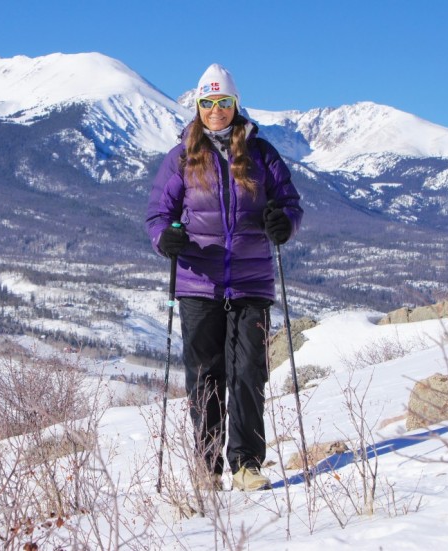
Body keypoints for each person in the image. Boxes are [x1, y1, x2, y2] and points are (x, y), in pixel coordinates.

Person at [145, 63, 303, 491]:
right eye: (208, 103)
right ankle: (208, 466)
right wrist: (167, 239)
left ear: (236, 104)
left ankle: (247, 464)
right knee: (204, 376)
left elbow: (290, 203)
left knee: (249, 372)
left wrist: (283, 222)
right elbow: (158, 215)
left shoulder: (261, 154)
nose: (217, 110)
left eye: (224, 102)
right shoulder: (180, 157)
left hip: (251, 281)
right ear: (198, 107)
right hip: (199, 282)